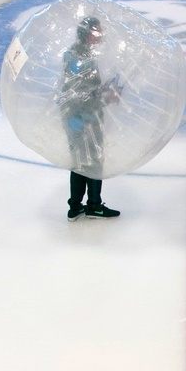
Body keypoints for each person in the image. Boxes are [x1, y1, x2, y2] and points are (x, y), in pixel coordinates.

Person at [58, 16, 122, 220]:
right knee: (93, 161)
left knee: (80, 161)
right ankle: (93, 204)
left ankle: (75, 206)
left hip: (74, 117)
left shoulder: (76, 54)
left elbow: (83, 90)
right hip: (83, 118)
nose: (101, 34)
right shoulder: (82, 60)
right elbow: (82, 96)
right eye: (97, 31)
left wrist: (103, 89)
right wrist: (107, 99)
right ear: (88, 34)